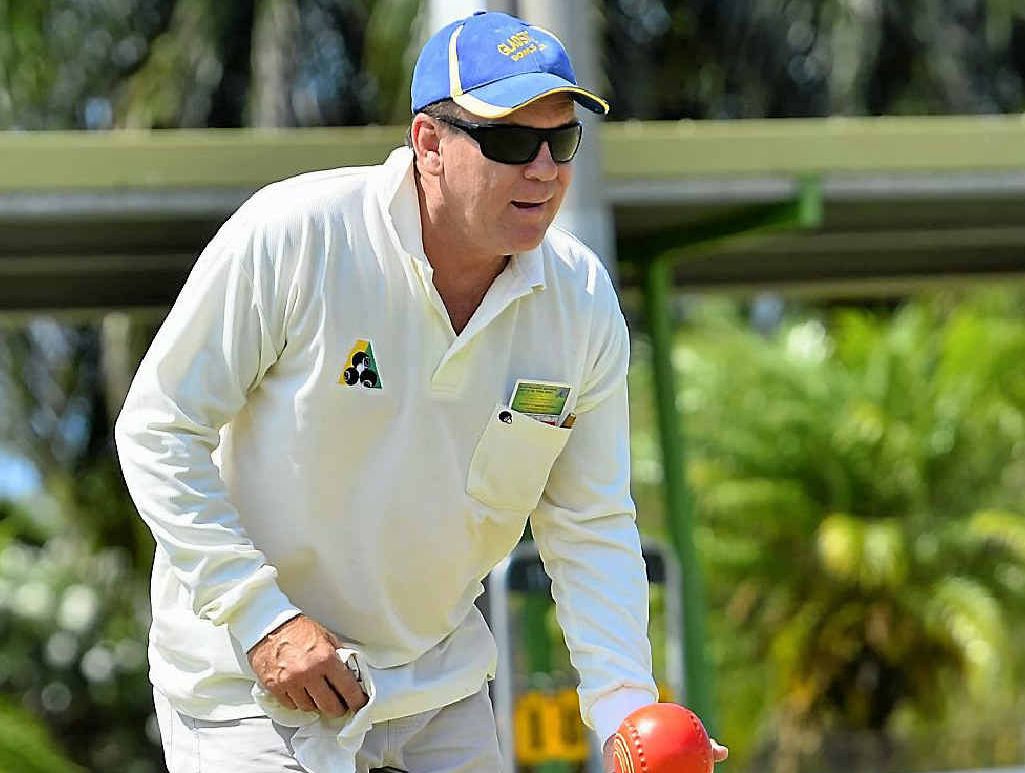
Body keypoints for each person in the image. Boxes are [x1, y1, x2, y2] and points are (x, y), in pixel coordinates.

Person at [115, 10, 728, 773]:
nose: (542, 169)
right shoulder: (296, 234)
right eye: (509, 142)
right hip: (246, 689)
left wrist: (628, 712)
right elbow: (157, 426)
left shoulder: (581, 302)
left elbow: (589, 522)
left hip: (436, 692)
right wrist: (260, 617)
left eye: (560, 140)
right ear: (428, 144)